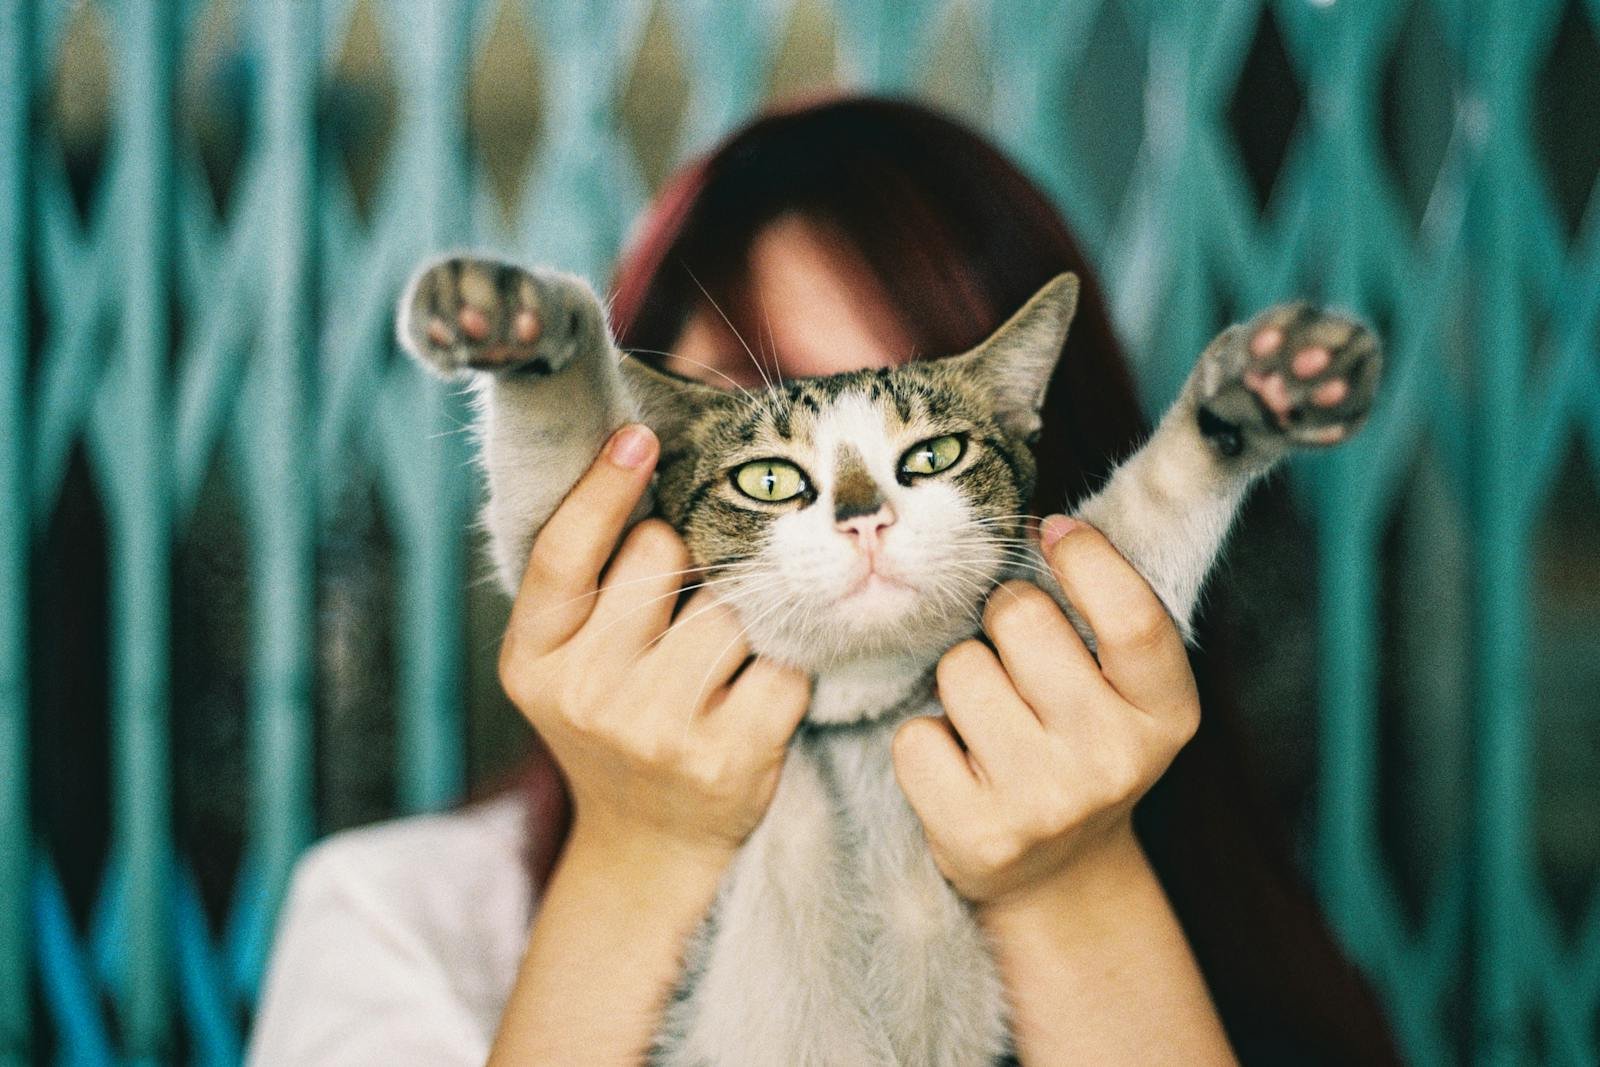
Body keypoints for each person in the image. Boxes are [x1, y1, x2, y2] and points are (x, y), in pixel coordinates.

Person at [248, 96, 1398, 1065]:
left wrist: (1072, 879)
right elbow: (563, 524)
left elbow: (1124, 552)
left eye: (928, 447)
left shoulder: (1250, 951)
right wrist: (635, 848)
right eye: (768, 452)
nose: (859, 518)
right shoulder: (392, 922)